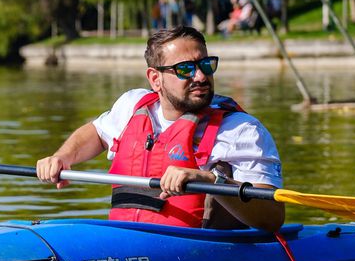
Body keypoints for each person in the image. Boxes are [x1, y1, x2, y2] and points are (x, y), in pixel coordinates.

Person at [36, 26, 285, 232]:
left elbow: (272, 217)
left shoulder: (241, 130)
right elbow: (97, 133)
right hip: (122, 241)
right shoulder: (132, 105)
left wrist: (212, 180)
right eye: (185, 69)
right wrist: (63, 157)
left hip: (199, 252)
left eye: (206, 65)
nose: (200, 76)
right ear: (155, 79)